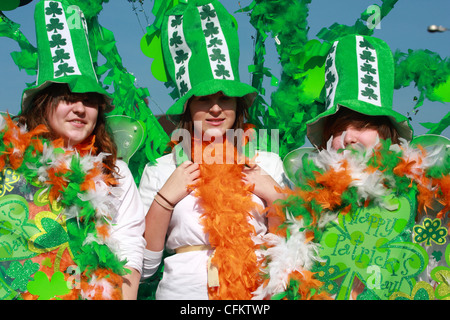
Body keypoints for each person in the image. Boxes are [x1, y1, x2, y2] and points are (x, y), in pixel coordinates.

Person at [255, 34, 450, 300]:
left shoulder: (418, 185)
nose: (348, 138)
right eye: (338, 130)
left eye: (362, 125)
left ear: (385, 133)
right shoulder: (308, 200)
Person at [138, 0, 288, 300]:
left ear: (238, 107)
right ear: (188, 108)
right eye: (204, 99)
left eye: (226, 99)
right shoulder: (162, 169)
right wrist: (165, 200)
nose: (216, 109)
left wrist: (276, 197)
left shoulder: (267, 163)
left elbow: (290, 252)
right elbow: (144, 267)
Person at [3, 0, 145, 300]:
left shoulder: (114, 173)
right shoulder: (9, 158)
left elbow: (129, 246)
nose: (80, 109)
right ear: (43, 102)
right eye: (68, 97)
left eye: (89, 99)